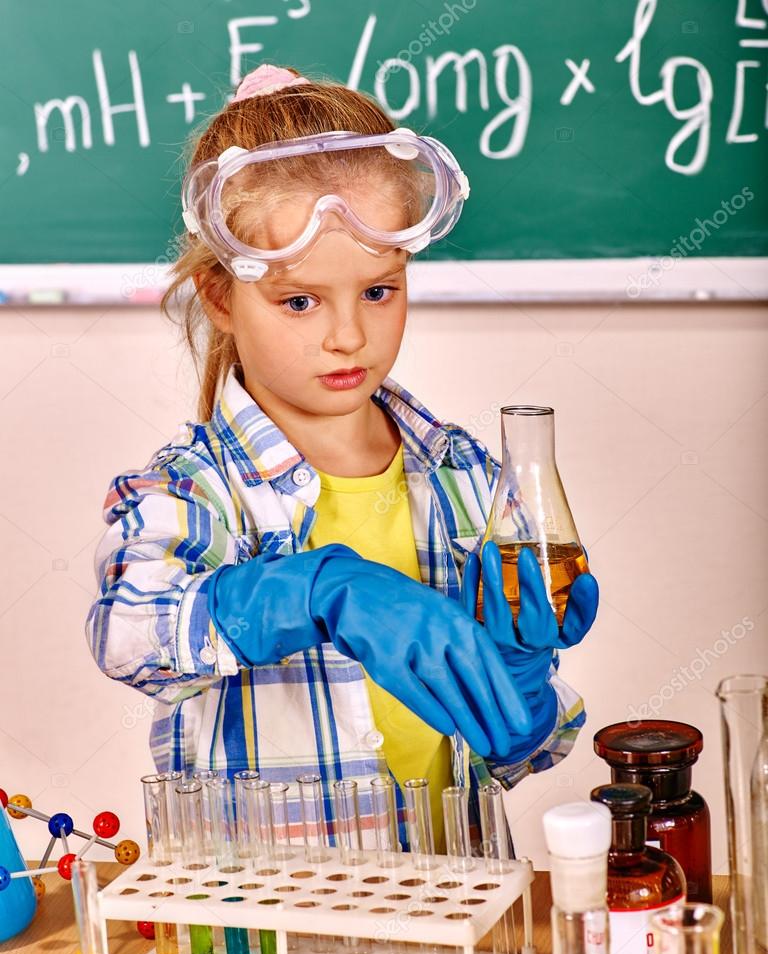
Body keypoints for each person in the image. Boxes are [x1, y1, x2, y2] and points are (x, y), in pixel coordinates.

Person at [85, 63, 599, 851]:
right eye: (299, 301)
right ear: (222, 299)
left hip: (449, 914)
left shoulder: (461, 478)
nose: (348, 336)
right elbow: (128, 635)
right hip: (272, 941)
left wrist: (521, 682)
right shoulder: (191, 490)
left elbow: (522, 754)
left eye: (378, 291)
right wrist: (319, 588)